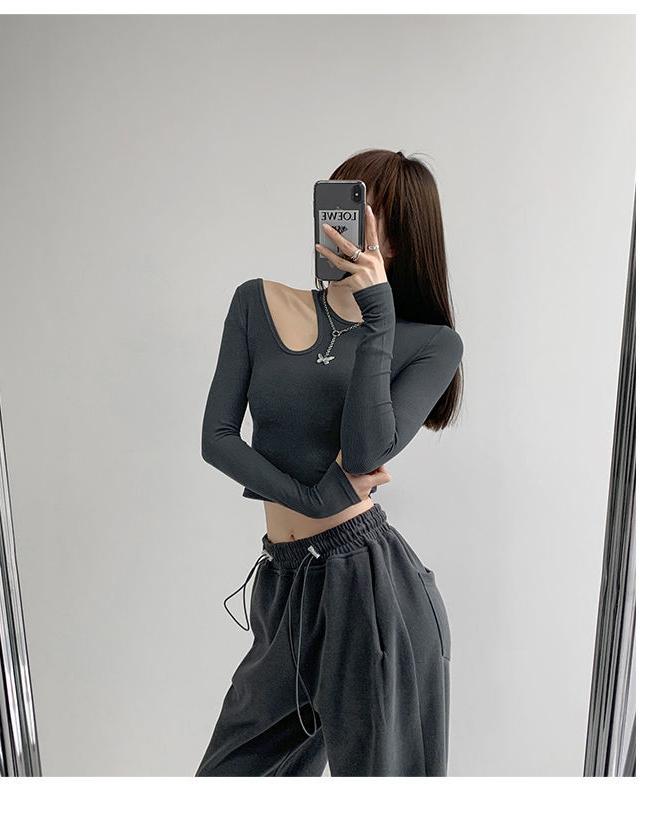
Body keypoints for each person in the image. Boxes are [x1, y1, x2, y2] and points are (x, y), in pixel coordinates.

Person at [195, 148, 464, 777]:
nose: (347, 222)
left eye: (371, 211)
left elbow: (367, 451)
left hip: (367, 589)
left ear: (400, 238)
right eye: (345, 199)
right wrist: (311, 498)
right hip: (284, 582)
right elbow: (217, 438)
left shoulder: (431, 344)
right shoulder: (257, 303)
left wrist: (379, 316)